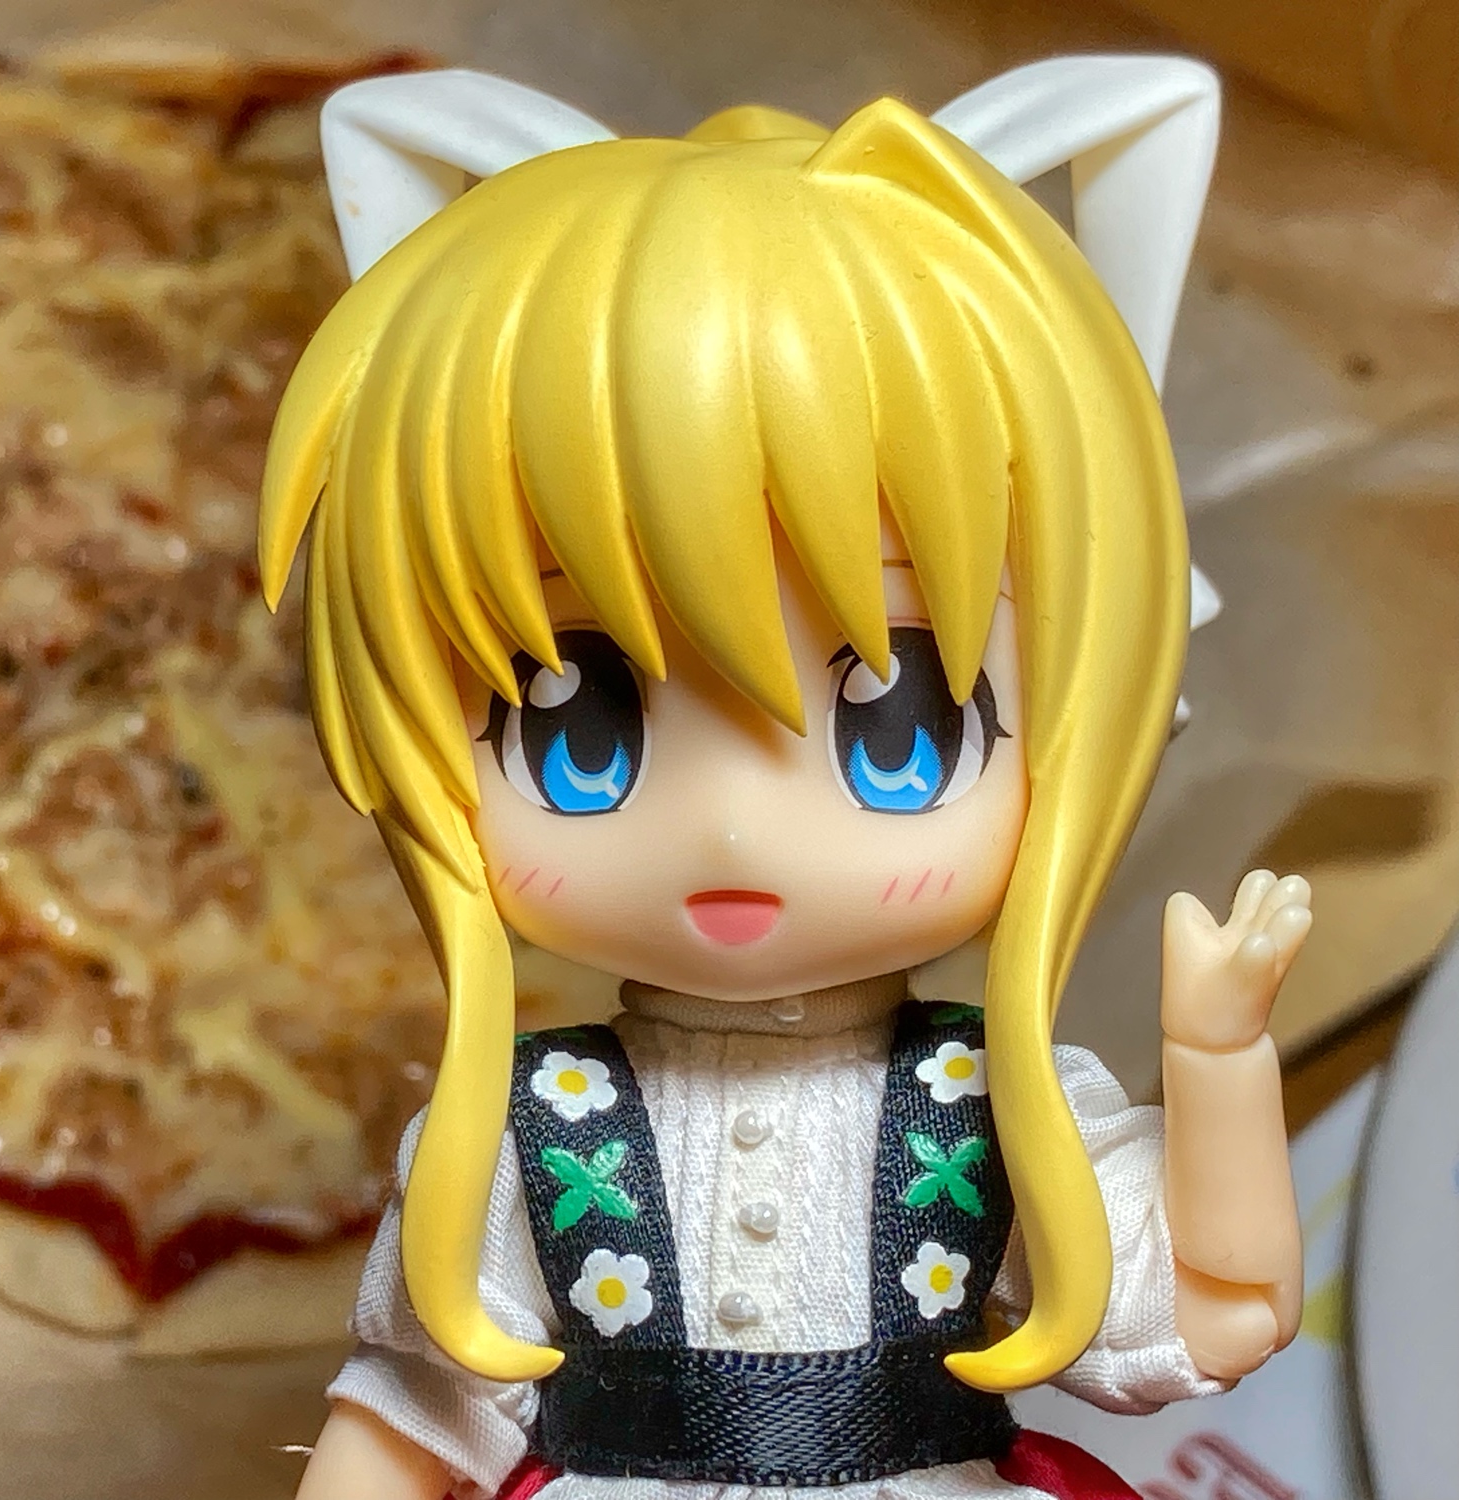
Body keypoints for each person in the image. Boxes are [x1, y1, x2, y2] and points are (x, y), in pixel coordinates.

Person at [258, 58, 1308, 1500]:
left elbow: (1217, 1316)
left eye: (903, 731)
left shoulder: (989, 1105)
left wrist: (1221, 1065)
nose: (736, 826)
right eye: (579, 729)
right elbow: (415, 1404)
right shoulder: (520, 1134)